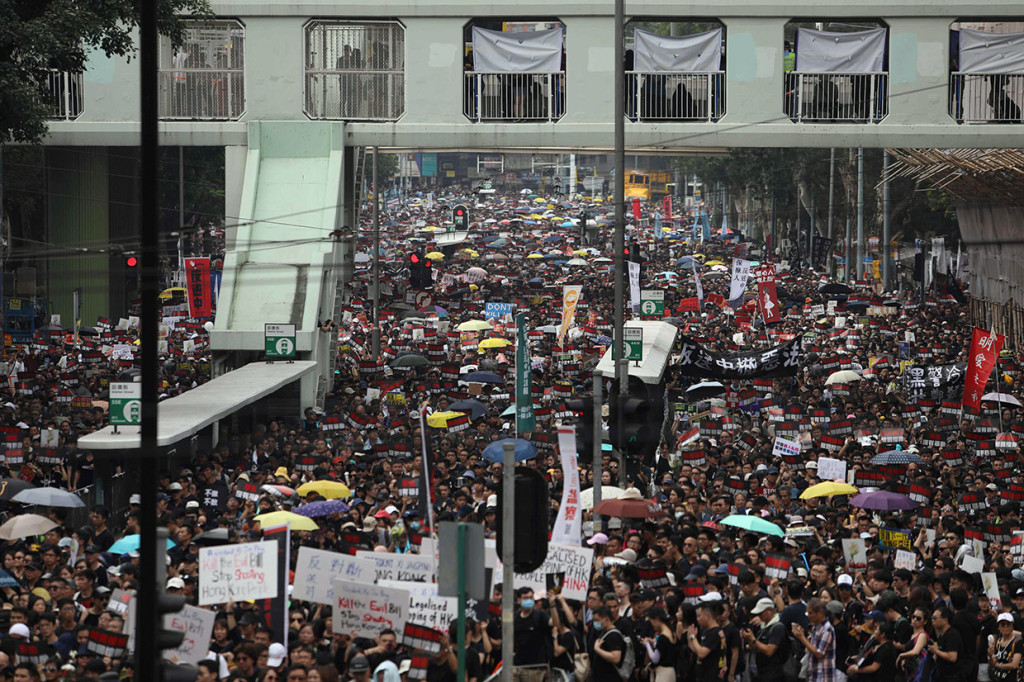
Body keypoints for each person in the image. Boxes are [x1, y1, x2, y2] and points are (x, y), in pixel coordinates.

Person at [742, 597, 788, 680]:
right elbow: (755, 647)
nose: (759, 616)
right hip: (762, 671)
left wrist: (753, 639)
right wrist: (749, 638)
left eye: (761, 613)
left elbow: (769, 651)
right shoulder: (763, 627)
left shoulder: (777, 627)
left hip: (774, 673)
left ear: (769, 611)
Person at [792, 599, 836, 682]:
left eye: (810, 613)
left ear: (820, 613)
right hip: (814, 675)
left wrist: (802, 637)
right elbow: (810, 647)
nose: (808, 616)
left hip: (824, 676)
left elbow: (819, 654)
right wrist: (801, 634)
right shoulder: (815, 627)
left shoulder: (827, 629)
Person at [590, 606, 627, 682]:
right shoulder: (604, 633)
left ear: (606, 619)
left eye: (597, 620)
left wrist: (597, 650)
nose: (595, 623)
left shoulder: (614, 635)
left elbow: (616, 658)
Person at [642, 605, 677, 682]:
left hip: (663, 673)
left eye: (651, 622)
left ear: (656, 619)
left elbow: (655, 659)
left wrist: (647, 645)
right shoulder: (672, 633)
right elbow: (665, 649)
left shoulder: (663, 637)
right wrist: (654, 643)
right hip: (671, 672)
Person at [929, 607, 964, 682]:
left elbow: (952, 657)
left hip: (953, 676)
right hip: (943, 676)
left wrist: (936, 651)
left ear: (945, 620)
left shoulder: (952, 635)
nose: (932, 621)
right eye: (932, 618)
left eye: (935, 618)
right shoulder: (942, 635)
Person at [988, 612, 1022, 682]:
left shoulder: (1018, 642)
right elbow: (993, 663)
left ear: (1012, 626)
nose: (1005, 627)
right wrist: (990, 655)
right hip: (998, 678)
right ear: (999, 627)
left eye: (1008, 624)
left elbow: (1014, 665)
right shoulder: (998, 642)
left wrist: (998, 665)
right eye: (1003, 624)